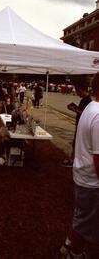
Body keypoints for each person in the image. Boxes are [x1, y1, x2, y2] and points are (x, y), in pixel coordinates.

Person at [61, 72, 99, 259]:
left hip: (82, 173)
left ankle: (69, 242)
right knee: (86, 220)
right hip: (91, 179)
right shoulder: (98, 114)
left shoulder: (91, 107)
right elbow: (98, 158)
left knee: (80, 215)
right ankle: (74, 253)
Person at [62, 83, 92, 167]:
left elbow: (84, 113)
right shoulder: (84, 100)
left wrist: (73, 109)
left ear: (82, 91)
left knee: (77, 142)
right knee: (76, 142)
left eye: (78, 92)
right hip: (80, 124)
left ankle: (72, 160)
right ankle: (74, 158)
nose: (77, 94)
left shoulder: (88, 100)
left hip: (82, 125)